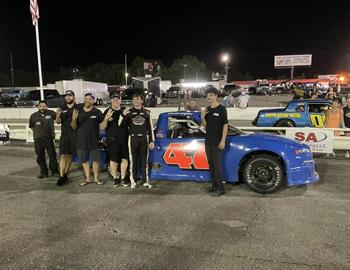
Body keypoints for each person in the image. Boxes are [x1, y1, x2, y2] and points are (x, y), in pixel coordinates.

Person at [122, 92, 155, 189]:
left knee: (144, 161)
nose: (136, 101)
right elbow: (122, 126)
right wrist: (123, 116)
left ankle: (145, 181)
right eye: (134, 99)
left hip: (144, 139)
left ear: (141, 100)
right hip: (133, 138)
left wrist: (152, 141)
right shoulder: (128, 113)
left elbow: (150, 128)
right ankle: (133, 181)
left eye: (138, 99)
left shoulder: (147, 112)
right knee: (133, 161)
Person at [71, 93, 104, 186]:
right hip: (81, 142)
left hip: (94, 141)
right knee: (84, 161)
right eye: (86, 99)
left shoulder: (97, 112)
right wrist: (73, 119)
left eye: (90, 99)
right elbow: (73, 127)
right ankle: (88, 179)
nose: (87, 101)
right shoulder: (78, 111)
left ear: (93, 101)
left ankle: (96, 178)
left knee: (95, 161)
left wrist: (106, 119)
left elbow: (102, 126)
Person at [201, 88, 228, 196]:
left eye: (211, 95)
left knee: (217, 166)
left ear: (216, 96)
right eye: (207, 95)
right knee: (211, 164)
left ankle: (221, 188)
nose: (209, 97)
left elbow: (225, 125)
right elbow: (204, 125)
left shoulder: (222, 109)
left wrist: (223, 140)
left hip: (217, 142)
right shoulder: (207, 109)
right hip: (208, 141)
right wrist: (202, 116)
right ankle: (214, 186)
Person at [100, 92, 129, 186]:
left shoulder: (125, 110)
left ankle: (123, 178)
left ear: (120, 100)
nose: (115, 100)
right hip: (112, 140)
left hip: (124, 140)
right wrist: (106, 118)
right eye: (113, 99)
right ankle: (115, 178)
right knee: (113, 159)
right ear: (111, 100)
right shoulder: (107, 111)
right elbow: (102, 127)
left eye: (117, 99)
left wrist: (126, 115)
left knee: (124, 158)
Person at [55, 90, 80, 186]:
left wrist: (74, 119)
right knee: (63, 155)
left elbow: (75, 126)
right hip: (64, 135)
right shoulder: (62, 107)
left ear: (73, 97)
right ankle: (61, 176)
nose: (68, 97)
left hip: (74, 136)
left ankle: (65, 174)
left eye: (70, 96)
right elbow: (58, 122)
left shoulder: (78, 108)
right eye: (66, 96)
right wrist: (57, 115)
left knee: (69, 156)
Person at [29, 100, 59, 178]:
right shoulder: (33, 116)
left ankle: (54, 171)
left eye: (44, 106)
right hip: (38, 139)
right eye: (41, 106)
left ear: (47, 107)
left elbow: (58, 119)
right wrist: (38, 133)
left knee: (52, 155)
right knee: (40, 156)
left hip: (49, 138)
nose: (42, 107)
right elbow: (32, 127)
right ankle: (43, 172)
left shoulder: (51, 113)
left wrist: (59, 113)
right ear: (38, 107)